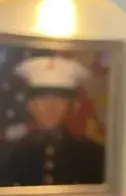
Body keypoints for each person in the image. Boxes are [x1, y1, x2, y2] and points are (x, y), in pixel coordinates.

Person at [3, 55, 105, 187]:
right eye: (43, 99)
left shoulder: (95, 154)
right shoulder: (8, 153)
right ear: (31, 105)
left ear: (72, 106)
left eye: (59, 100)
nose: (50, 106)